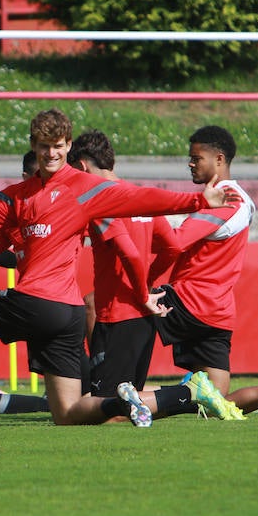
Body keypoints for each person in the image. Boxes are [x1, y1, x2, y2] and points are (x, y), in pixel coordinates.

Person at [0, 109, 227, 428]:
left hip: (37, 303)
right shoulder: (18, 198)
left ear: (68, 146)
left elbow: (141, 198)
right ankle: (153, 399)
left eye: (57, 145)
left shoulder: (84, 188)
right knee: (67, 413)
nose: (51, 153)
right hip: (69, 315)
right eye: (43, 146)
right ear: (33, 146)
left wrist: (197, 201)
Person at [119, 126, 258, 422]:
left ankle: (99, 389)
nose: (191, 164)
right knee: (219, 399)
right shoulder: (234, 200)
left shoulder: (227, 200)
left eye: (197, 158)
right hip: (217, 311)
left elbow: (176, 241)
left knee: (99, 305)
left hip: (188, 301)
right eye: (190, 158)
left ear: (219, 159)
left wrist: (138, 223)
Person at [67, 129, 164, 394]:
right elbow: (173, 246)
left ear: (82, 166)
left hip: (115, 316)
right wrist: (147, 283)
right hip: (144, 319)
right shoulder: (138, 195)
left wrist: (143, 291)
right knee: (125, 403)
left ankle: (184, 394)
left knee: (104, 407)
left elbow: (129, 253)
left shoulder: (100, 200)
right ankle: (183, 393)